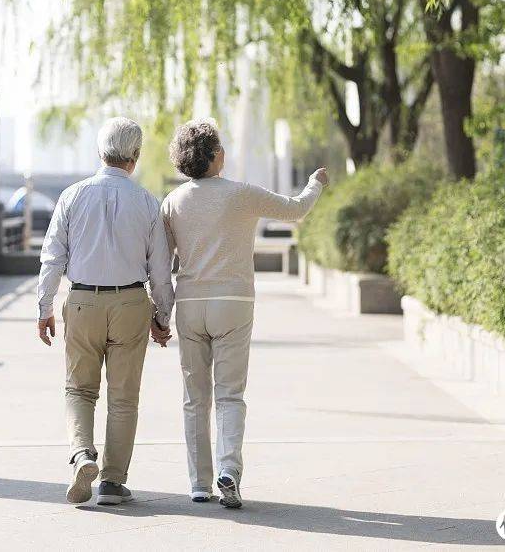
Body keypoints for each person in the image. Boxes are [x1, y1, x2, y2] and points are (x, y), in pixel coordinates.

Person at [160, 119, 327, 508]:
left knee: (194, 397)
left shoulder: (173, 202)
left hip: (189, 304)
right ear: (216, 155)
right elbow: (296, 209)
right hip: (234, 303)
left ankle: (199, 484)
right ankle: (228, 470)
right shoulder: (242, 194)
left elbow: (162, 264)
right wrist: (315, 183)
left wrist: (160, 314)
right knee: (231, 394)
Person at [37, 116, 175, 506]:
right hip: (131, 302)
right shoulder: (148, 202)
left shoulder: (71, 196)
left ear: (100, 152)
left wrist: (44, 307)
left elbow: (52, 258)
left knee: (79, 389)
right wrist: (163, 318)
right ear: (134, 157)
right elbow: (160, 270)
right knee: (124, 396)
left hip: (82, 300)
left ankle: (82, 454)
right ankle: (113, 481)